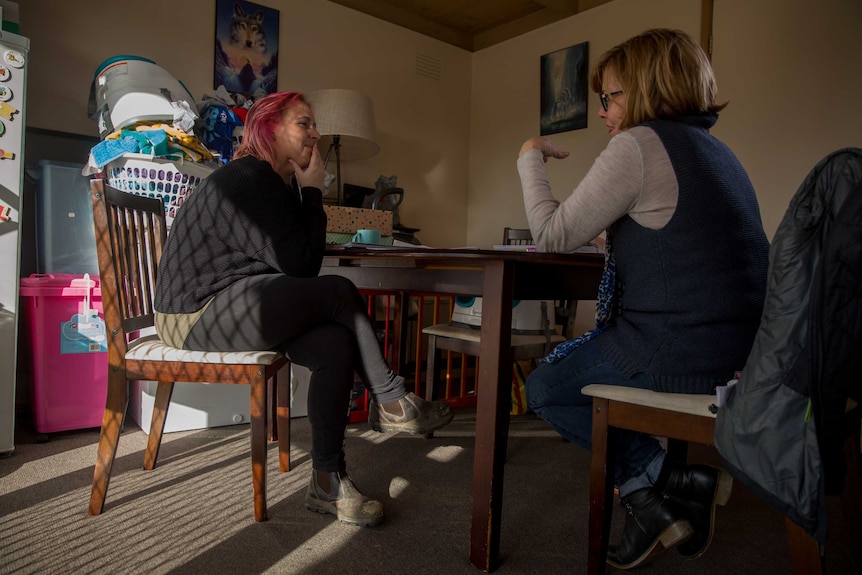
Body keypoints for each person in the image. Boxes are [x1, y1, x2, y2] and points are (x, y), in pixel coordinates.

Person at [516, 29, 769, 569]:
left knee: (545, 389)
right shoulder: (719, 153)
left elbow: (552, 234)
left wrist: (529, 158)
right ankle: (664, 493)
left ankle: (664, 482)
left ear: (646, 89)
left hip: (678, 349)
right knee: (580, 373)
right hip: (741, 354)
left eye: (609, 96)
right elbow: (678, 244)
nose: (604, 111)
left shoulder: (637, 145)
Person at [153, 91, 454, 528]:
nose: (315, 133)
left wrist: (306, 192)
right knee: (338, 291)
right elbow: (303, 264)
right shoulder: (249, 177)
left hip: (237, 301)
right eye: (304, 123)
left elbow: (298, 261)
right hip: (192, 314)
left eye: (314, 125)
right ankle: (390, 399)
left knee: (334, 343)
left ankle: (327, 484)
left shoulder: (277, 184)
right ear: (269, 127)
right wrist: (313, 192)